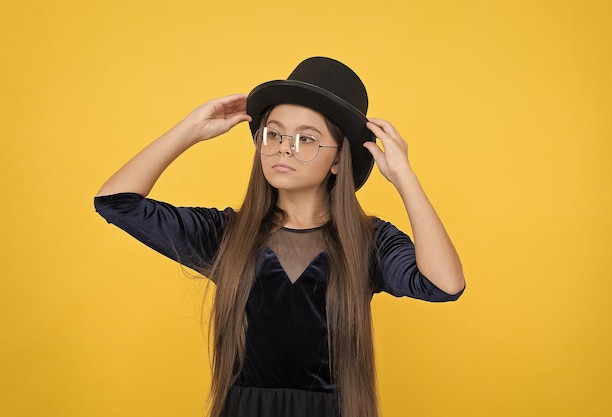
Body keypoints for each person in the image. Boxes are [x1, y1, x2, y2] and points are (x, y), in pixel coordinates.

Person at [94, 57, 465, 417]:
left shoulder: (369, 242)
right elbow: (115, 203)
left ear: (338, 160)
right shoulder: (228, 235)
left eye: (307, 139)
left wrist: (405, 178)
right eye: (274, 133)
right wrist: (189, 130)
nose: (285, 147)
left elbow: (444, 284)